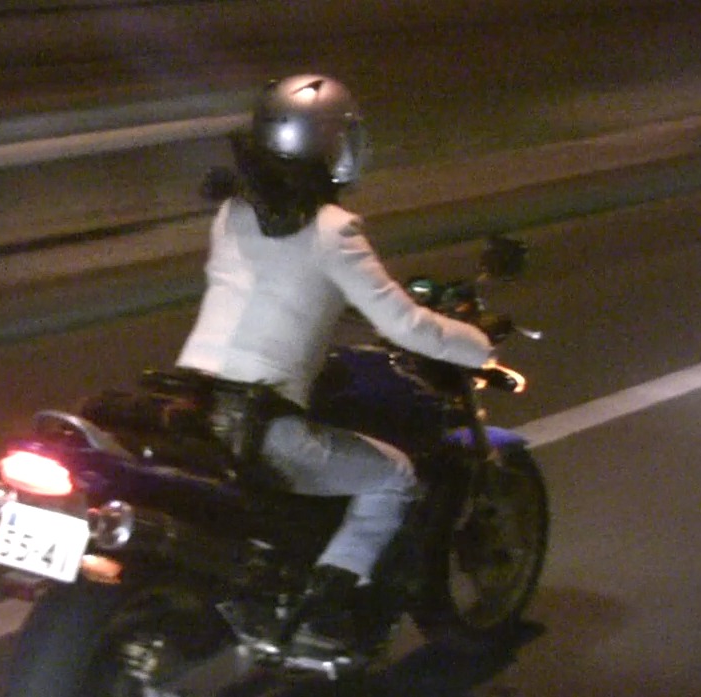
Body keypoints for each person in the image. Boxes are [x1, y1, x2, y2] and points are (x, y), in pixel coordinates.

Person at [176, 74, 492, 645]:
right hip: (263, 423)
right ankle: (328, 607)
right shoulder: (334, 230)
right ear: (332, 144)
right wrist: (478, 346)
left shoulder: (230, 214)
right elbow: (404, 324)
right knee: (395, 475)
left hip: (194, 401)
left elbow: (276, 288)